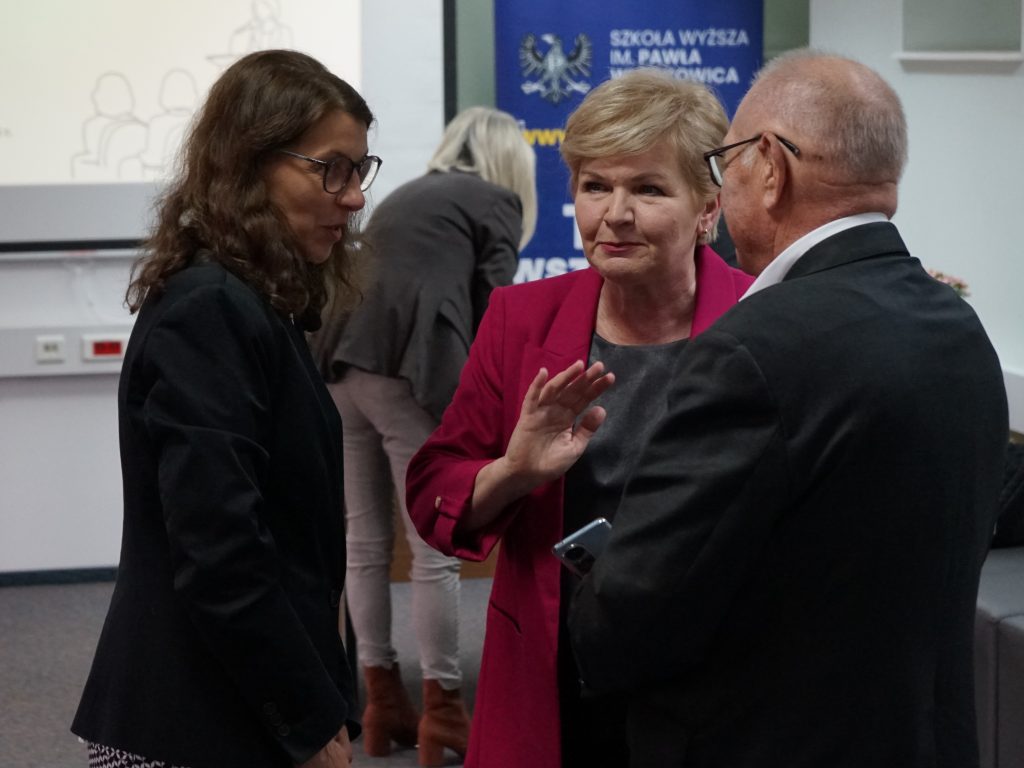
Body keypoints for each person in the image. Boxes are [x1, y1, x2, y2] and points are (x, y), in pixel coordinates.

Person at [567, 50, 1009, 767]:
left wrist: (597, 597)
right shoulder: (953, 322)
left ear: (770, 166)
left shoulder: (753, 349)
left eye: (727, 161)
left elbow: (635, 611)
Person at [406, 70, 753, 768]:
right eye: (595, 186)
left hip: (716, 677)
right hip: (553, 671)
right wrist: (512, 471)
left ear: (709, 210)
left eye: (648, 189)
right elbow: (432, 491)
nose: (613, 214)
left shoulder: (761, 322)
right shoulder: (520, 318)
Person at [71, 49, 382, 768]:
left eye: (359, 170)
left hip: (234, 706)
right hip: (193, 721)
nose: (354, 196)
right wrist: (306, 721)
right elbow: (221, 553)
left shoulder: (255, 305)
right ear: (250, 165)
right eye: (331, 168)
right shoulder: (209, 309)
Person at [318, 106, 536, 766]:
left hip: (342, 366)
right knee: (434, 548)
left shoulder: (413, 190)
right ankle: (445, 709)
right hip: (405, 374)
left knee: (364, 543)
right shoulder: (493, 200)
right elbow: (499, 311)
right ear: (509, 161)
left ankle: (382, 703)